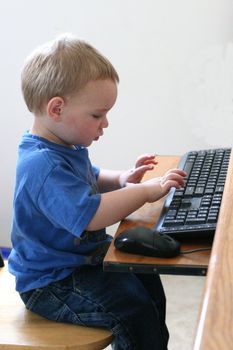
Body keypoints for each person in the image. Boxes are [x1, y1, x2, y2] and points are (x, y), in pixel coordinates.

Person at [8, 34, 185, 350]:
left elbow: (90, 176)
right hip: (52, 281)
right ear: (57, 109)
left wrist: (121, 179)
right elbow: (90, 215)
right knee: (133, 309)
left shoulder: (62, 145)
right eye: (97, 114)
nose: (105, 123)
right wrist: (145, 191)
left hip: (78, 259)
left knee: (146, 277)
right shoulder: (41, 164)